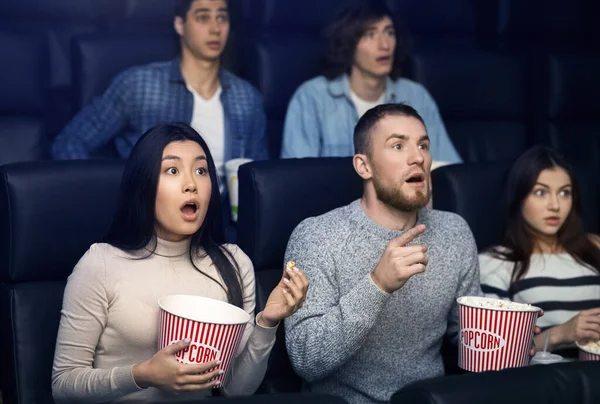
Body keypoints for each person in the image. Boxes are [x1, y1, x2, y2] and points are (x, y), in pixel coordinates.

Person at [51, 123, 308, 403]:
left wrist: (267, 323)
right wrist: (141, 375)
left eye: (201, 170)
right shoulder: (100, 263)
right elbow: (63, 385)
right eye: (172, 171)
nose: (191, 184)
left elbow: (235, 390)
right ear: (144, 185)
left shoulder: (233, 263)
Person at [283, 103, 478, 404]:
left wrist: (515, 339)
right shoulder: (316, 236)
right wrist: (377, 285)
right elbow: (307, 360)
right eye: (398, 145)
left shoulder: (455, 232)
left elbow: (466, 335)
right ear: (364, 166)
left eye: (423, 145)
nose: (418, 158)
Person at [51, 0, 268, 193]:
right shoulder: (139, 85)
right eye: (203, 17)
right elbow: (70, 142)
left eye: (221, 17)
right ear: (180, 24)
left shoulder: (247, 98)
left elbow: (260, 176)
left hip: (223, 223)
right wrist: (113, 196)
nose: (215, 28)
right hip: (149, 223)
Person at [280, 0, 461, 165]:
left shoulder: (415, 95)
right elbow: (298, 180)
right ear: (348, 44)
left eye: (389, 32)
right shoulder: (312, 97)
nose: (384, 44)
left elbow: (446, 169)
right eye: (370, 34)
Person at [480, 146, 600, 352]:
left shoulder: (595, 247)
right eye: (540, 192)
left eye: (564, 193)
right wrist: (560, 334)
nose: (555, 205)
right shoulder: (494, 263)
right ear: (519, 198)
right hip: (546, 380)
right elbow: (494, 353)